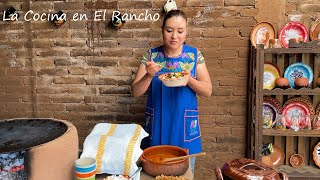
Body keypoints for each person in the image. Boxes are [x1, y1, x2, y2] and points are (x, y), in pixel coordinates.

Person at [131, 10, 212, 174]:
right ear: (162, 30)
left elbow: (207, 91)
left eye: (180, 31)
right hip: (158, 123)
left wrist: (189, 79)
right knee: (155, 172)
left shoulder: (194, 56)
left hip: (184, 125)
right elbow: (135, 92)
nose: (174, 36)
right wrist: (149, 75)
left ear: (186, 32)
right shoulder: (151, 56)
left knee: (184, 173)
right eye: (169, 30)